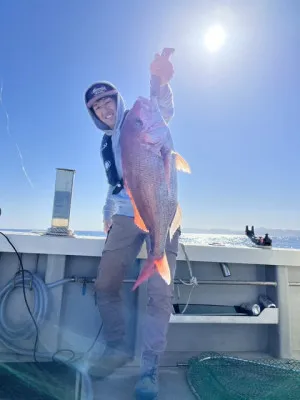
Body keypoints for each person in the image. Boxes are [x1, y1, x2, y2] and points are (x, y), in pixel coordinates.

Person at [84, 53, 180, 399]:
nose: (105, 109)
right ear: (94, 115)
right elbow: (115, 184)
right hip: (126, 215)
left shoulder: (137, 121)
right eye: (97, 107)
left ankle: (150, 367)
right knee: (105, 283)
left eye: (108, 101)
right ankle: (116, 347)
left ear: (118, 100)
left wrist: (160, 80)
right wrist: (108, 212)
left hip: (161, 209)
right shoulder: (105, 143)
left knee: (159, 293)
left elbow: (161, 109)